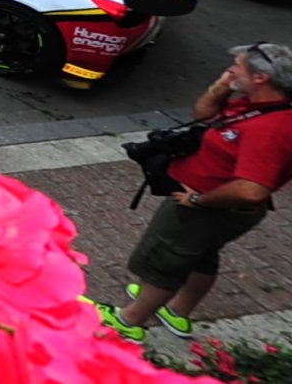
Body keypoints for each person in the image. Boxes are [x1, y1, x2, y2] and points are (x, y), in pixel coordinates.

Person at [93, 43, 292, 343]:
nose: (230, 70)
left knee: (166, 262)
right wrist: (223, 85)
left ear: (261, 78)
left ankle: (130, 321)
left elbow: (251, 190)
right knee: (201, 257)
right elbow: (204, 114)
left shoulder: (271, 129)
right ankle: (177, 311)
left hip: (208, 207)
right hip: (219, 211)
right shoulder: (258, 103)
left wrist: (197, 200)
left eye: (236, 66)